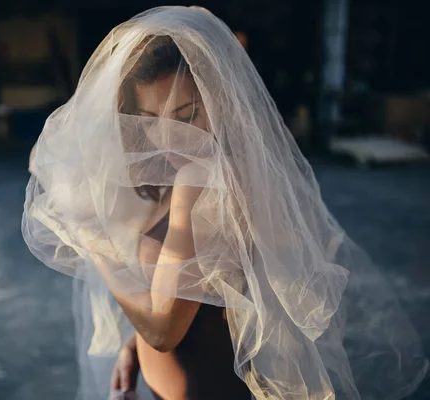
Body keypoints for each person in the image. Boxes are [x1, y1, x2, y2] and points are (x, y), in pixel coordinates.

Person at [23, 6, 427, 400]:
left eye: (186, 114)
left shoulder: (202, 181)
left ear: (218, 96)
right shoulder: (208, 169)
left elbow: (164, 331)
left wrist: (97, 245)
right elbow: (198, 298)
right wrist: (134, 346)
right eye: (152, 119)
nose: (172, 137)